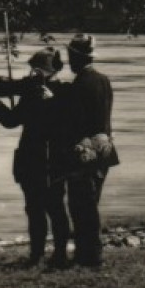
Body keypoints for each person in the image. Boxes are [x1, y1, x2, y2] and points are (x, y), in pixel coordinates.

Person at [0, 48, 69, 266]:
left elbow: (11, 121)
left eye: (35, 70)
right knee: (54, 207)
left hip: (35, 158)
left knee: (38, 209)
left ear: (45, 71)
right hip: (55, 159)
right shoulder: (64, 91)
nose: (31, 75)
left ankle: (39, 255)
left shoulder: (36, 93)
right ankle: (58, 254)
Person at [52, 33, 117, 269]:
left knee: (82, 206)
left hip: (85, 152)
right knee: (89, 203)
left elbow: (73, 122)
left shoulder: (80, 85)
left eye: (71, 55)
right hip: (104, 150)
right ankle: (87, 253)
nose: (69, 60)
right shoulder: (103, 80)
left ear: (77, 56)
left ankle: (90, 256)